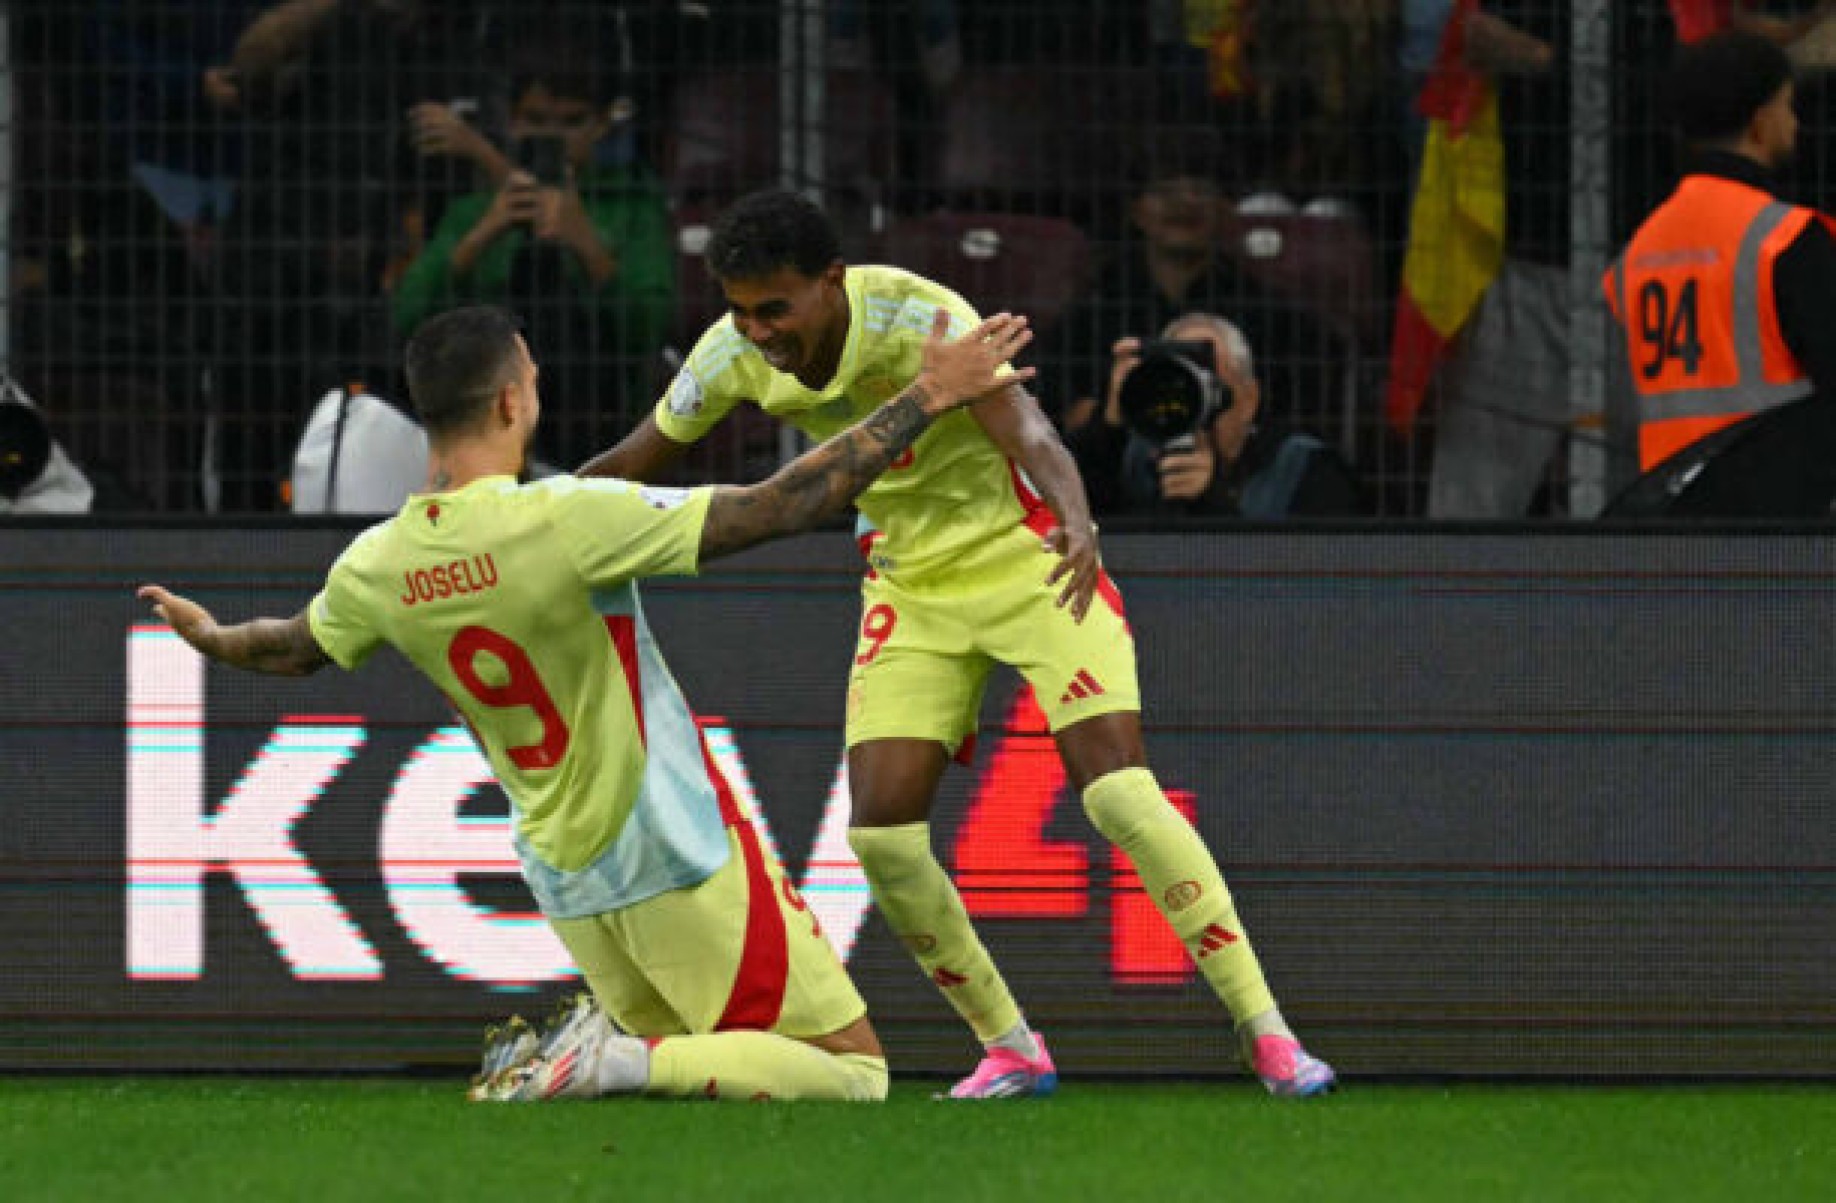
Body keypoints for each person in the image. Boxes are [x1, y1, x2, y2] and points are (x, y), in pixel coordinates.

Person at [137, 303, 1035, 1102]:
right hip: (670, 847)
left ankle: (612, 1055)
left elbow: (291, 650)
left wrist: (211, 634)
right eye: (531, 376)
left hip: (565, 872)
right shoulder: (565, 517)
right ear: (509, 404)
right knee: (852, 1071)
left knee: (696, 1069)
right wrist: (926, 396)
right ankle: (609, 1059)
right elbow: (778, 506)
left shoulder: (378, 563)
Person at [576, 188, 1338, 1099]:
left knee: (1122, 793)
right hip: (910, 583)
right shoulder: (730, 354)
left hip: (1028, 557)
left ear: (831, 282)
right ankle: (1012, 1046)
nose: (757, 330)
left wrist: (1078, 518)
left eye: (774, 308)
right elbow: (629, 464)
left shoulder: (925, 320)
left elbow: (1031, 432)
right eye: (740, 310)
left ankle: (1270, 1037)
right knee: (883, 838)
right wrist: (515, 520)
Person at [391, 34, 674, 470]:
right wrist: (480, 237)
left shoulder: (633, 205)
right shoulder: (474, 210)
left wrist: (587, 246)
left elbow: (650, 329)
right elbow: (405, 317)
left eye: (570, 122)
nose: (552, 136)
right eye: (537, 120)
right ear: (513, 122)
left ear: (600, 125)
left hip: (603, 425)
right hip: (479, 431)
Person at [1604, 31, 1836, 477]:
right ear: (1760, 123)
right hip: (1775, 505)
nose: (1795, 124)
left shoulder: (1640, 250)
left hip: (1672, 502)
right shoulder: (1784, 237)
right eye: (1787, 107)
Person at [1063, 312, 1366, 518]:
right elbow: (1056, 516)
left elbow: (1308, 588)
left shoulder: (1305, 469)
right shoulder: (1129, 460)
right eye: (1179, 388)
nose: (1196, 406)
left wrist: (1213, 501)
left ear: (1250, 399)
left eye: (1212, 388)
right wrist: (1109, 426)